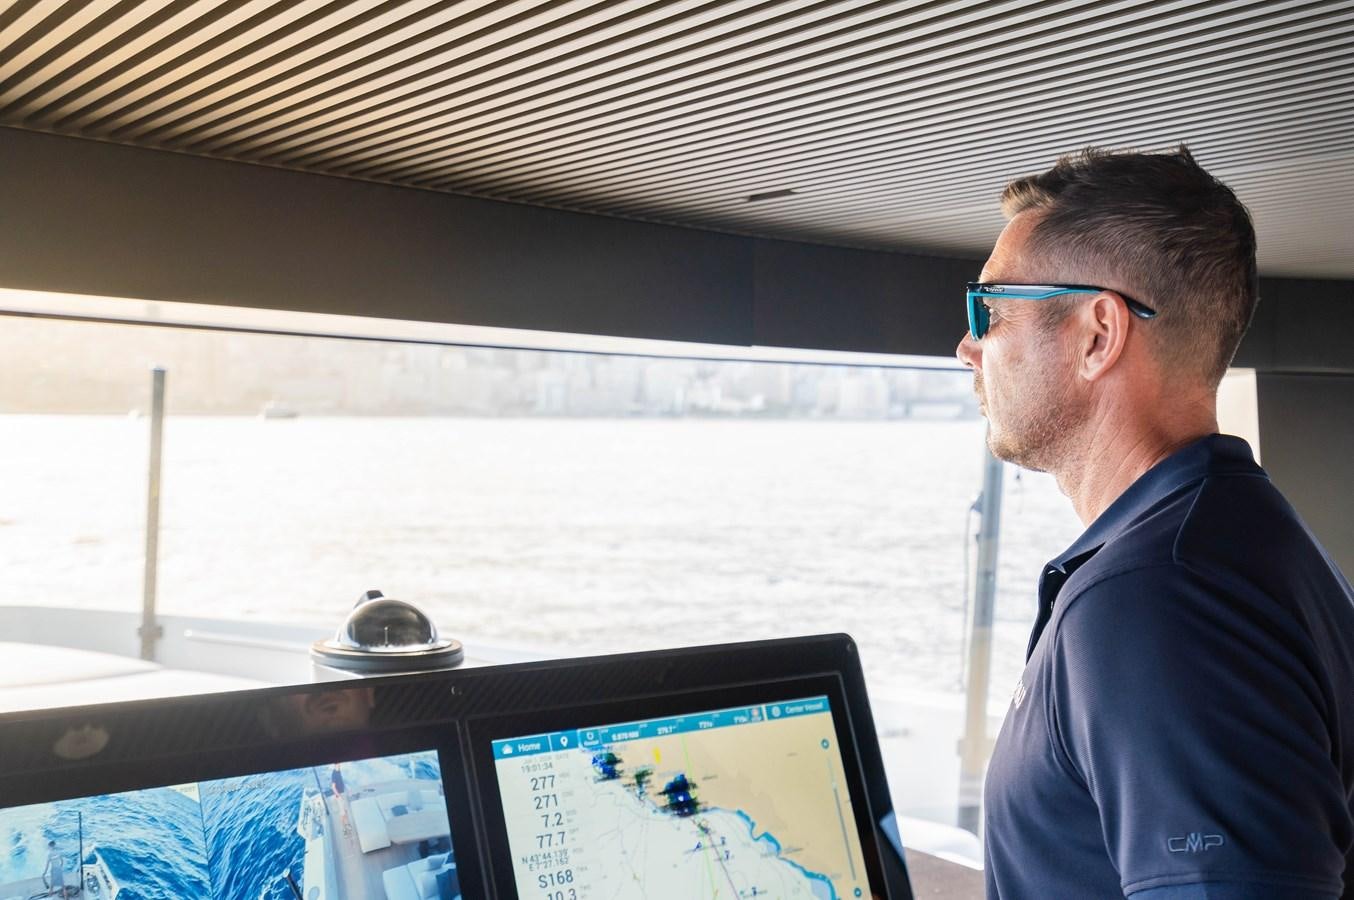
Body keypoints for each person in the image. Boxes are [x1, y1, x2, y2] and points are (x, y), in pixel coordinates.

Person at [956, 146, 1354, 899]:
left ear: (1097, 335)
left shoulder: (1161, 598)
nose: (969, 347)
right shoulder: (1236, 536)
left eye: (990, 310)